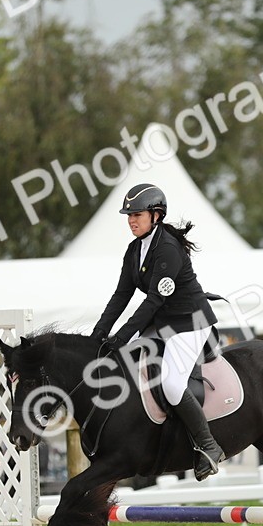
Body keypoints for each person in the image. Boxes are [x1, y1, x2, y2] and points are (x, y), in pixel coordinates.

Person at [91, 183, 226, 480]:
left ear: (156, 215)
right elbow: (121, 295)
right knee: (129, 368)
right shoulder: (134, 250)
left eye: (136, 214)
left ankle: (209, 446)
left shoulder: (167, 248)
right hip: (162, 324)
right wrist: (98, 334)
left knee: (173, 385)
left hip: (189, 324)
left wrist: (123, 335)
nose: (131, 220)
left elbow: (154, 300)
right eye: (128, 215)